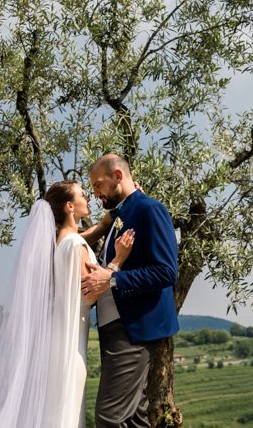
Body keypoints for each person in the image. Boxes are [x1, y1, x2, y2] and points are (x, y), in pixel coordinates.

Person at [0, 181, 134, 428]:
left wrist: (104, 223)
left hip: (55, 339)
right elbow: (87, 295)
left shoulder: (59, 243)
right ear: (69, 206)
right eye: (81, 194)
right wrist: (117, 263)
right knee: (64, 411)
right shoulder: (75, 245)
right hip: (69, 343)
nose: (87, 197)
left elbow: (79, 239)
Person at [80, 153, 179, 428]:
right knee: (134, 417)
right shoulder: (121, 214)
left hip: (133, 328)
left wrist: (112, 280)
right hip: (115, 325)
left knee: (109, 417)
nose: (96, 193)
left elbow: (167, 271)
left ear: (118, 176)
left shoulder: (149, 209)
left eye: (99, 185)